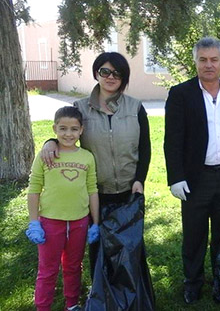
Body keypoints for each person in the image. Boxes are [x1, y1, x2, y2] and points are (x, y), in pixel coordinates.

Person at [40, 52, 152, 279]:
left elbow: (145, 147)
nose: (111, 77)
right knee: (98, 244)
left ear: (124, 78)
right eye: (105, 71)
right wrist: (49, 142)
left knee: (130, 244)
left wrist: (140, 179)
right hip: (94, 193)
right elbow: (65, 133)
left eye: (117, 73)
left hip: (130, 190)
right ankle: (101, 290)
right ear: (96, 73)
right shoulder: (80, 107)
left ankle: (130, 290)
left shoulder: (135, 107)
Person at [164, 36, 220, 304]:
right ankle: (193, 282)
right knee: (194, 235)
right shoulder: (181, 94)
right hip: (195, 177)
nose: (209, 65)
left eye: (214, 59)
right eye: (203, 60)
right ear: (196, 62)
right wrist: (176, 178)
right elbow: (173, 139)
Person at [26, 106, 99, 311]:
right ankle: (42, 306)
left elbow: (92, 190)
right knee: (48, 269)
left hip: (79, 221)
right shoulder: (46, 155)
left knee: (73, 266)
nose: (68, 134)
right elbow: (34, 189)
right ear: (54, 128)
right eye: (63, 128)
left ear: (81, 130)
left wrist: (96, 223)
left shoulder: (87, 157)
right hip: (50, 222)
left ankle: (72, 304)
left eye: (74, 129)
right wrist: (34, 222)